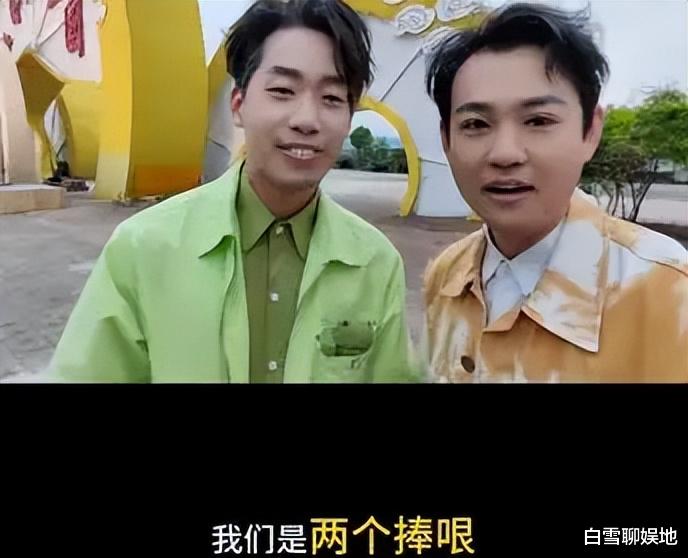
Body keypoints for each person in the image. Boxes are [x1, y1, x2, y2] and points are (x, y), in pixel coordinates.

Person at [49, 0, 420, 383]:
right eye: (283, 90)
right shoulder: (143, 248)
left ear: (348, 118)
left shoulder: (375, 262)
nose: (307, 120)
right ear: (238, 105)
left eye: (331, 98)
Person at [422, 2, 688, 382]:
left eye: (538, 120)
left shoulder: (667, 289)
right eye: (476, 124)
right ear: (446, 139)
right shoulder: (445, 277)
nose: (505, 154)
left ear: (590, 131)